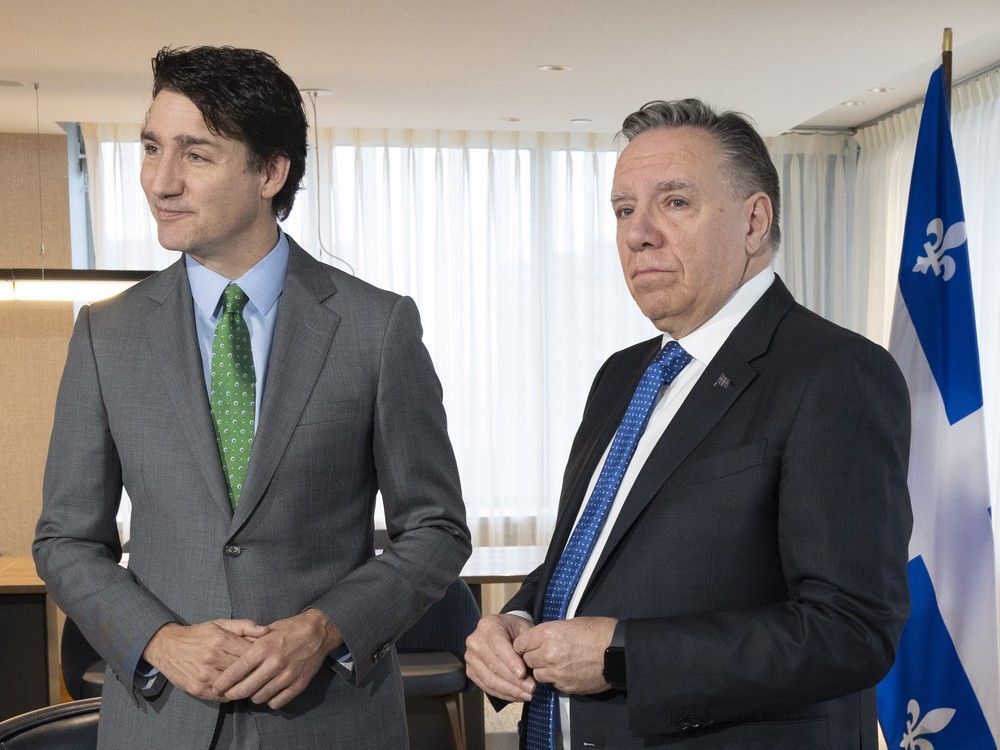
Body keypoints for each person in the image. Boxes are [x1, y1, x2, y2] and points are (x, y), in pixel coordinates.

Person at [34, 45, 470, 749]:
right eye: (152, 148)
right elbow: (65, 540)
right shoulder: (105, 334)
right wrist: (159, 639)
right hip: (163, 721)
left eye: (196, 154)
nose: (161, 181)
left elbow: (436, 529)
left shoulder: (376, 327)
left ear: (270, 172)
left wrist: (324, 629)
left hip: (331, 721)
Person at [465, 99, 912, 749]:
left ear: (754, 221)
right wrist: (515, 620)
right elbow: (589, 562)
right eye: (624, 210)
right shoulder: (622, 374)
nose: (637, 234)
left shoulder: (835, 372)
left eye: (674, 202)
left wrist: (624, 655)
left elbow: (852, 631)